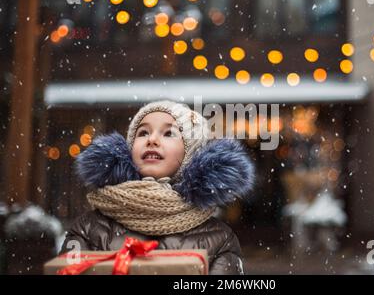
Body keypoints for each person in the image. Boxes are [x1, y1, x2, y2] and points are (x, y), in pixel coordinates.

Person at [60, 100, 255, 274]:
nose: (151, 139)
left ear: (192, 153)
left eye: (169, 133)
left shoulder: (219, 238)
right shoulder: (88, 227)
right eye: (143, 132)